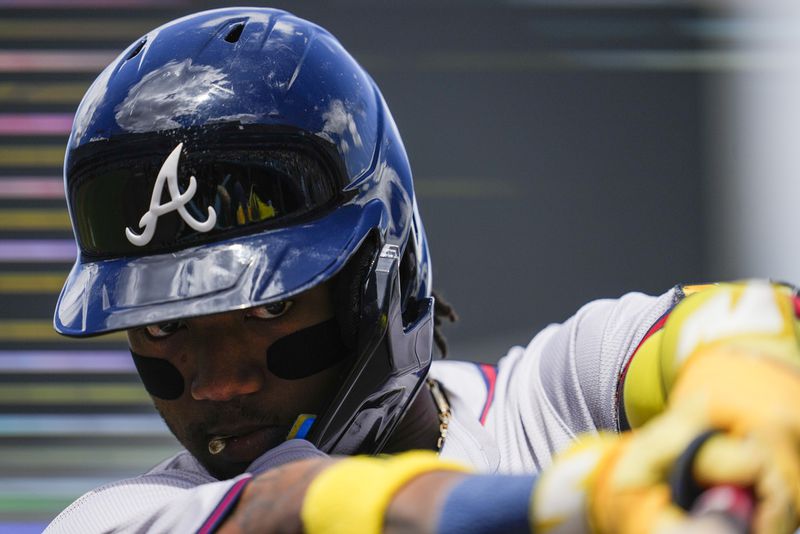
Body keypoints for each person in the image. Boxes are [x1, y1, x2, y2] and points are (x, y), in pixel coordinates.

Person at [44, 7, 800, 534]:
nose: (218, 383)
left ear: (379, 277)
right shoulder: (119, 520)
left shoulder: (554, 402)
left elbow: (736, 321)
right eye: (165, 328)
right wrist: (576, 505)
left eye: (268, 310)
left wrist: (748, 388)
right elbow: (290, 508)